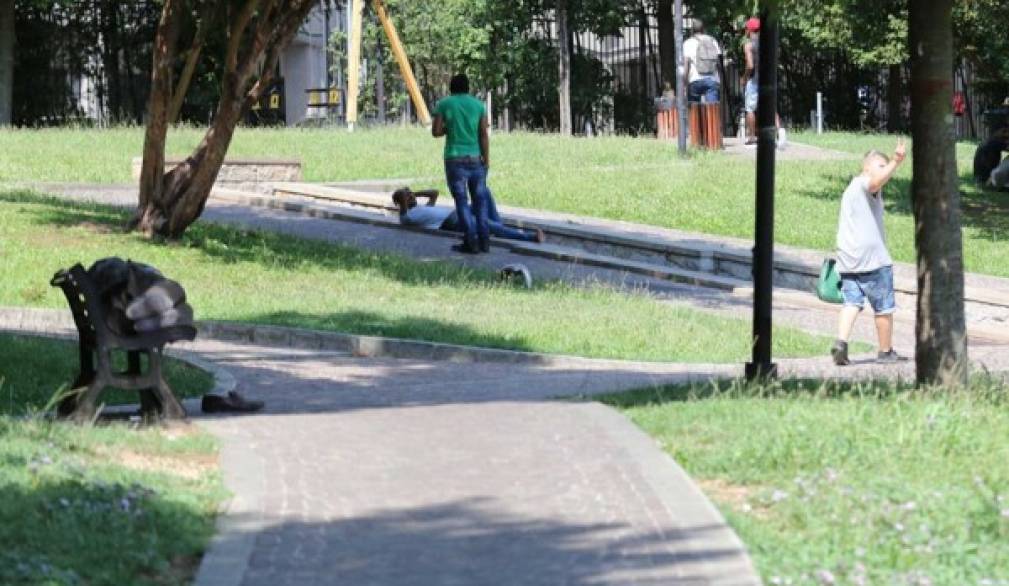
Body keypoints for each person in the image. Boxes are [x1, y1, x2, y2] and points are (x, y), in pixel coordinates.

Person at [831, 139, 907, 366]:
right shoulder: (865, 185)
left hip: (848, 260)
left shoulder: (850, 189)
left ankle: (841, 343)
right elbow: (874, 183)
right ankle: (885, 351)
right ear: (867, 168)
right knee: (884, 307)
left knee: (851, 303)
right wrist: (896, 161)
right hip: (873, 261)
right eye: (880, 166)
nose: (885, 173)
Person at [432, 73, 491, 254]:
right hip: (476, 158)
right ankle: (485, 242)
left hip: (454, 158)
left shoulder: (444, 104)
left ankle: (470, 242)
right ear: (468, 87)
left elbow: (436, 132)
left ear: (451, 87)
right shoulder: (479, 105)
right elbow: (483, 134)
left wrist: (449, 128)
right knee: (480, 201)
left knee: (462, 202)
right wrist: (486, 159)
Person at [392, 188, 545, 243]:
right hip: (453, 222)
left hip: (459, 212)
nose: (410, 197)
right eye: (406, 196)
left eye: (409, 194)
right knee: (489, 225)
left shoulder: (422, 209)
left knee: (483, 192)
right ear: (400, 202)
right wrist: (403, 197)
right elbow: (404, 211)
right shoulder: (407, 217)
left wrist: (414, 193)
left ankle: (498, 228)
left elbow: (434, 193)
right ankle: (530, 237)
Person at [741, 17, 786, 147]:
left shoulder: (749, 45)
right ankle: (780, 132)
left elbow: (750, 65)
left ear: (748, 30)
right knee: (771, 106)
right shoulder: (769, 44)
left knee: (750, 109)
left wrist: (744, 78)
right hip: (768, 79)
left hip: (755, 81)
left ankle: (751, 138)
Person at [683, 19, 723, 104]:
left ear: (692, 30)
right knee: (712, 110)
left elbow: (686, 65)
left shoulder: (688, 43)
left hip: (694, 80)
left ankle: (695, 116)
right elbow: (719, 63)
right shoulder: (712, 41)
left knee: (694, 110)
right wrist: (720, 81)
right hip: (712, 80)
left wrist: (684, 83)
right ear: (703, 29)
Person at [973, 125, 1009, 189]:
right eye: (1004, 131)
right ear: (995, 132)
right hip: (986, 178)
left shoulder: (989, 140)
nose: (1006, 134)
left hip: (980, 177)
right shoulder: (994, 142)